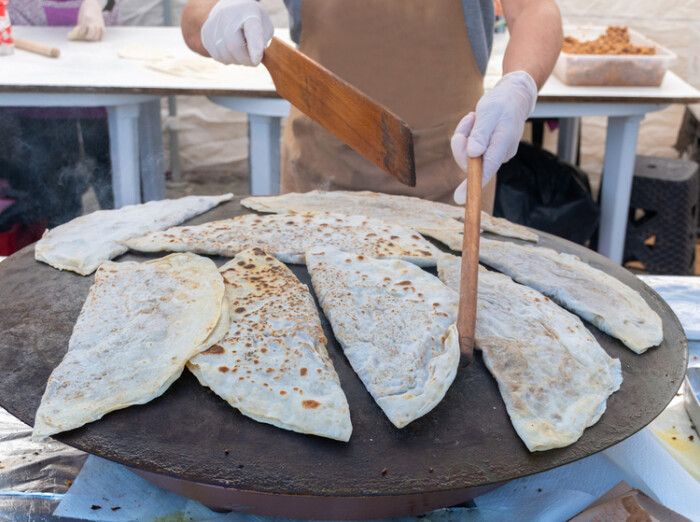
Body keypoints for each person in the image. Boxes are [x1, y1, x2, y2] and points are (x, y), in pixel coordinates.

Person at [181, 0, 562, 209]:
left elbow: (533, 9)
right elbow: (194, 13)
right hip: (321, 176)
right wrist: (219, 14)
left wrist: (519, 84)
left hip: (446, 176)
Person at [3, 0, 119, 227]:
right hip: (38, 90)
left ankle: (126, 242)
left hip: (99, 76)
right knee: (56, 194)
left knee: (114, 184)